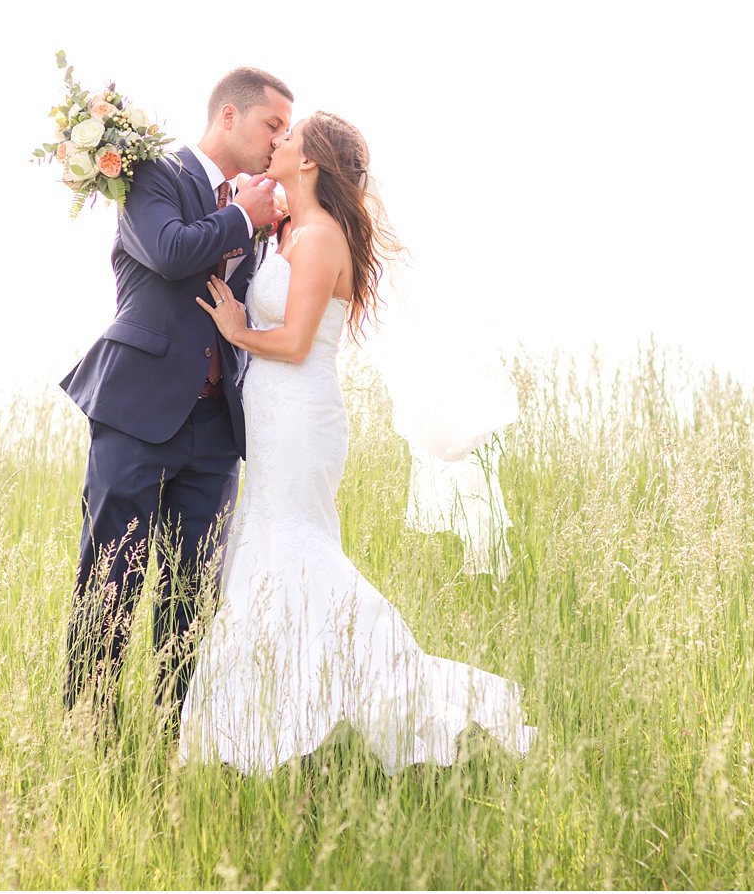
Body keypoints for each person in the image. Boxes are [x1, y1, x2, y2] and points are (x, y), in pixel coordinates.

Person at [183, 112, 537, 774]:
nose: (278, 142)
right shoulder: (294, 229)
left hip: (300, 414)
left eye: (289, 138)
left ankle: (365, 680)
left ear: (311, 162)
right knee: (267, 547)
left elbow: (291, 342)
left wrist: (235, 329)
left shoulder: (319, 238)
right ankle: (279, 708)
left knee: (295, 545)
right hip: (274, 416)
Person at [59, 67, 292, 733]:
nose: (279, 141)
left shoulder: (261, 203)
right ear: (229, 117)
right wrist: (243, 214)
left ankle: (173, 736)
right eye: (272, 125)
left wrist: (263, 216)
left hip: (218, 429)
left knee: (194, 593)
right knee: (111, 581)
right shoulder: (154, 175)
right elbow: (168, 250)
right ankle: (89, 731)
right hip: (137, 414)